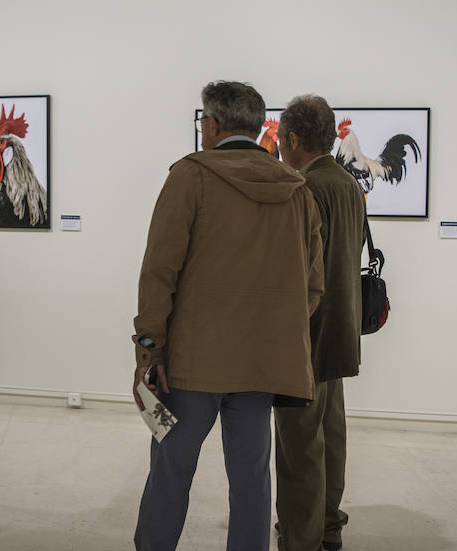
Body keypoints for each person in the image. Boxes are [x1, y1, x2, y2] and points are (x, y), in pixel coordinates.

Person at [131, 81, 325, 551]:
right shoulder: (297, 191)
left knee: (170, 473)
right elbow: (312, 288)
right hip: (261, 369)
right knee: (252, 482)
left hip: (192, 369)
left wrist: (149, 348)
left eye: (203, 120)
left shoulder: (189, 177)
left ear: (213, 125)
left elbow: (159, 272)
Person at [273, 95, 367, 551]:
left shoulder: (304, 188)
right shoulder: (348, 184)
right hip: (341, 333)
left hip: (306, 338)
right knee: (331, 441)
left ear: (292, 139)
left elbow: (294, 272)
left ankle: (300, 539)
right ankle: (329, 530)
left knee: (299, 452)